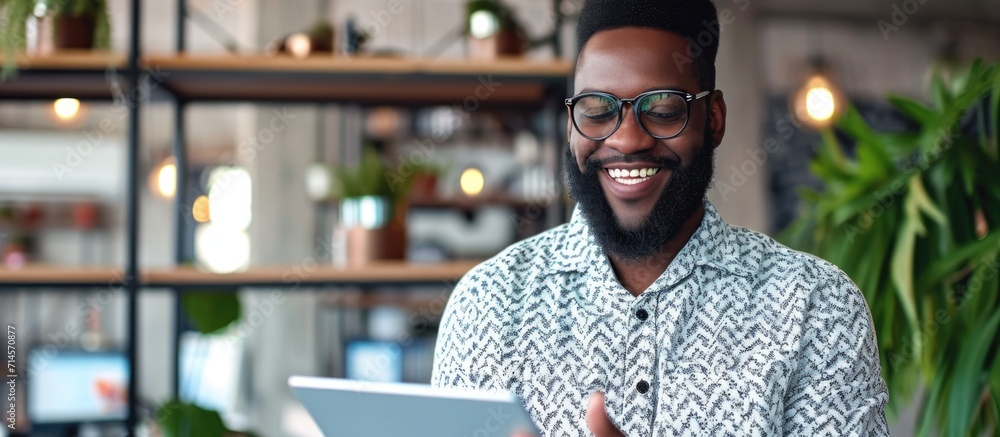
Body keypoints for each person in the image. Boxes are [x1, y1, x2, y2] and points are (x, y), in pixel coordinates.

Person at [432, 0, 889, 435]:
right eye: (596, 110)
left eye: (664, 109)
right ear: (571, 123)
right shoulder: (488, 305)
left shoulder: (815, 308)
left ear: (713, 118)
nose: (627, 141)